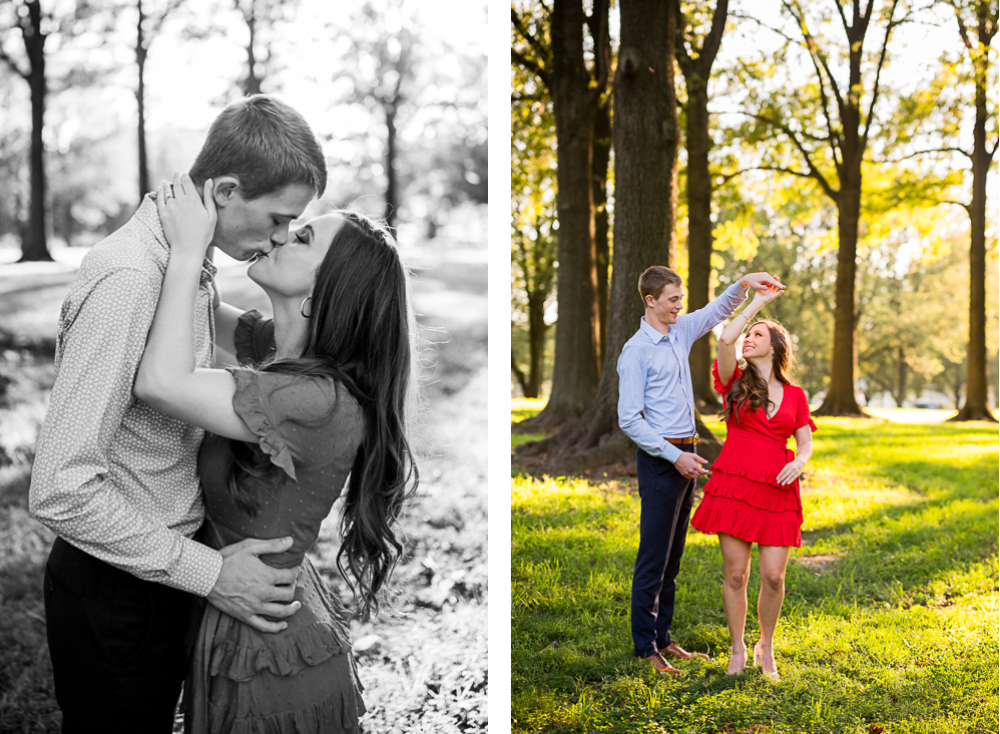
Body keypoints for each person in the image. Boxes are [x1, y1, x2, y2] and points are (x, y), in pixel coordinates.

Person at [29, 95, 327, 733]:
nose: (279, 237)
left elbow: (217, 345)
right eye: (278, 219)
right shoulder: (133, 279)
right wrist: (211, 573)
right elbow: (59, 487)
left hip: (162, 570)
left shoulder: (184, 265)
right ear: (224, 191)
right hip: (116, 589)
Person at [134, 173, 418, 732]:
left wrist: (193, 249)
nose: (282, 235)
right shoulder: (283, 354)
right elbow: (192, 302)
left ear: (325, 292)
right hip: (248, 613)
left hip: (268, 660)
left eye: (303, 237)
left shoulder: (314, 401)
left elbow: (162, 382)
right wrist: (212, 227)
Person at [617, 265, 785, 677]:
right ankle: (645, 648)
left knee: (673, 555)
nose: (680, 306)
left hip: (686, 455)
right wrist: (674, 457)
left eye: (681, 298)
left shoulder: (679, 330)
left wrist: (746, 284)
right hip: (663, 460)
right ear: (651, 301)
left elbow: (717, 312)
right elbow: (629, 419)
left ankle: (664, 637)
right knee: (653, 556)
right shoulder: (635, 351)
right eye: (673, 299)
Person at [690, 283, 816, 682]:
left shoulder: (795, 395)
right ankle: (738, 648)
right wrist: (757, 303)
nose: (748, 338)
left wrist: (800, 461)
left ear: (776, 347)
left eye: (758, 334)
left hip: (777, 489)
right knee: (735, 574)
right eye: (750, 333)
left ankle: (766, 644)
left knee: (774, 576)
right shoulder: (733, 383)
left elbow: (806, 443)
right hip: (734, 484)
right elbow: (726, 336)